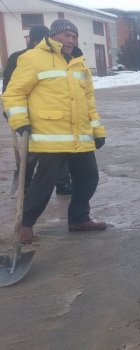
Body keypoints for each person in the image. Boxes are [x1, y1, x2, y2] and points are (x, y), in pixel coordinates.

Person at [2, 19, 108, 244]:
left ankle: (79, 219)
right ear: (53, 36)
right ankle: (25, 225)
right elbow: (14, 93)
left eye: (74, 36)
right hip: (49, 134)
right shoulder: (33, 58)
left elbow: (89, 101)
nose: (70, 40)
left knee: (89, 178)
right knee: (44, 183)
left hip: (80, 135)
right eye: (66, 35)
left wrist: (97, 130)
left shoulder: (80, 63)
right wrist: (20, 121)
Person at [2, 25, 73, 196]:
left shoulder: (57, 57)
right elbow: (10, 90)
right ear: (33, 41)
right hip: (25, 115)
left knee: (59, 148)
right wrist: (14, 116)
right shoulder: (19, 58)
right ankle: (24, 185)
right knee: (31, 152)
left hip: (50, 114)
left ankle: (62, 184)